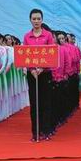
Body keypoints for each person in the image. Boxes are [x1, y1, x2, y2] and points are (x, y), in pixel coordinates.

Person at [23, 8, 56, 141]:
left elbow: (51, 54)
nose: (36, 21)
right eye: (34, 19)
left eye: (38, 19)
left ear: (42, 20)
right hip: (32, 74)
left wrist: (42, 68)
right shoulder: (27, 36)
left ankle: (46, 130)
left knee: (46, 102)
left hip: (45, 73)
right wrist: (31, 70)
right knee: (34, 103)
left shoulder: (47, 35)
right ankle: (35, 132)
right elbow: (25, 55)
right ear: (30, 20)